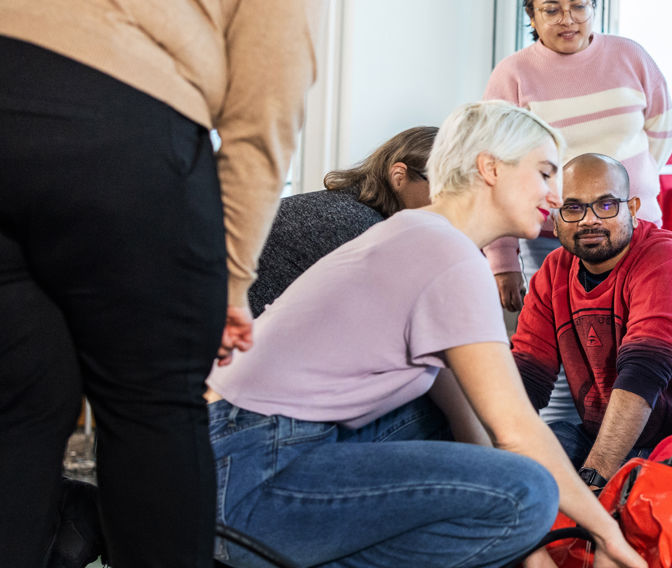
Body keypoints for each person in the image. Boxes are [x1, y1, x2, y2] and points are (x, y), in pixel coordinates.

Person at [204, 101, 646, 568]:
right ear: (489, 168)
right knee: (528, 490)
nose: (555, 196)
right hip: (248, 480)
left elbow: (469, 420)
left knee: (442, 421)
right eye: (543, 173)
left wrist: (531, 552)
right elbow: (517, 430)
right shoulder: (446, 256)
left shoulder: (415, 232)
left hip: (228, 459)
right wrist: (609, 536)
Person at [0, 1, 315, 564]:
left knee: (16, 409)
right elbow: (266, 106)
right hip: (120, 117)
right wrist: (231, 279)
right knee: (151, 410)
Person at [511, 153, 672, 488]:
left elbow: (643, 376)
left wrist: (594, 480)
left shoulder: (666, 258)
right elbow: (527, 378)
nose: (589, 220)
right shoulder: (553, 271)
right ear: (556, 217)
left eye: (606, 206)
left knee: (620, 502)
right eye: (573, 208)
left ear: (633, 209)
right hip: (599, 436)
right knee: (525, 470)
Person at [483, 0, 672, 314]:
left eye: (578, 6)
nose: (568, 20)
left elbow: (663, 131)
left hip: (635, 231)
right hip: (551, 240)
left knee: (643, 338)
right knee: (556, 347)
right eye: (552, 9)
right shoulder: (512, 75)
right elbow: (495, 175)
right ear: (532, 15)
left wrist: (626, 180)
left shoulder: (631, 56)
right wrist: (502, 259)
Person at [249, 126, 437, 316]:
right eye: (444, 186)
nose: (453, 200)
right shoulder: (359, 228)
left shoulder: (342, 206)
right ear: (399, 177)